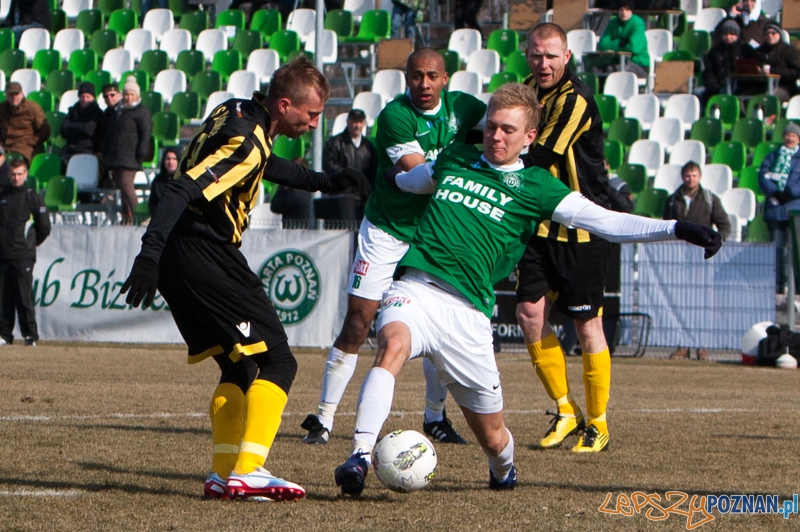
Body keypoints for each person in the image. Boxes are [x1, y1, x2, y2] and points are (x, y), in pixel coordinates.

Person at [333, 83, 722, 497]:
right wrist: (381, 176)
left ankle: (504, 470)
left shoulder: (537, 186)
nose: (495, 136)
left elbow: (606, 221)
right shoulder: (455, 158)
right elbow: (414, 181)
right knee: (390, 347)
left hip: (468, 315)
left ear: (529, 137)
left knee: (494, 438)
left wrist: (677, 228)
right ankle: (358, 456)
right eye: (490, 128)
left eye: (507, 130)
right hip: (416, 288)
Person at [120, 56, 371, 502]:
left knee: (238, 365)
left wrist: (328, 181)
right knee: (279, 362)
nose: (316, 124)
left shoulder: (235, 110)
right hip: (205, 252)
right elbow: (182, 188)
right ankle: (250, 469)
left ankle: (223, 474)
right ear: (284, 104)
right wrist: (147, 253)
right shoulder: (248, 141)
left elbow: (268, 165)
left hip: (183, 253)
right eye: (312, 115)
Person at [300, 48, 486, 446]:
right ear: (406, 78)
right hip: (386, 229)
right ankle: (325, 417)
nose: (424, 84)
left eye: (432, 76)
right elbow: (423, 176)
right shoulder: (395, 116)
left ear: (445, 78)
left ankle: (434, 417)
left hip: (434, 233)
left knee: (441, 326)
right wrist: (467, 160)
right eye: (416, 76)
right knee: (357, 322)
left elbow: (504, 131)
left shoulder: (466, 108)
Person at [517, 23, 616, 453]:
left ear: (567, 57)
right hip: (539, 225)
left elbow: (538, 155)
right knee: (528, 313)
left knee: (586, 323)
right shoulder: (524, 92)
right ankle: (565, 409)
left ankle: (598, 422)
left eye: (551, 56)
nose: (544, 63)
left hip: (581, 225)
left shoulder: (575, 99)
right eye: (537, 55)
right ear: (528, 55)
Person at [663, 161, 731, 360]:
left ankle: (702, 346)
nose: (690, 179)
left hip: (702, 259)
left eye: (693, 175)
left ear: (699, 177)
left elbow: (725, 226)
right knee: (681, 303)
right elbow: (665, 226)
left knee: (702, 304)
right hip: (679, 260)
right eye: (687, 175)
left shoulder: (710, 199)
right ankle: (682, 346)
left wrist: (715, 243)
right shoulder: (671, 200)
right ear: (682, 177)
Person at [0, 157, 50, 347]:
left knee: (23, 296)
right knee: (3, 297)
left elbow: (44, 227)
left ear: (26, 174)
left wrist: (29, 245)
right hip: (3, 254)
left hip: (22, 255)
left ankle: (30, 334)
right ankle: (4, 334)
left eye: (19, 174)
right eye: (12, 174)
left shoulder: (32, 198)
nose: (15, 177)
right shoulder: (3, 196)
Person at [103, 76, 152, 224]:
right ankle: (127, 220)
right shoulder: (118, 112)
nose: (128, 97)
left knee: (126, 186)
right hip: (117, 157)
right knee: (122, 190)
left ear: (137, 95)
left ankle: (141, 215)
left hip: (131, 157)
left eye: (131, 94)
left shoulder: (142, 112)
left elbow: (145, 134)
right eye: (126, 94)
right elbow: (110, 133)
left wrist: (141, 154)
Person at [759, 122, 800, 294]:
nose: (790, 138)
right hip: (775, 210)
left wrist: (790, 193)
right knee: (776, 250)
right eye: (788, 134)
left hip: (795, 211)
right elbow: (763, 176)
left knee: (796, 252)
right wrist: (775, 192)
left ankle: (797, 291)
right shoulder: (772, 156)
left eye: (794, 135)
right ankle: (777, 289)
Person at [700, 20, 757, 106]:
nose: (728, 37)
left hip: (738, 86)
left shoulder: (745, 49)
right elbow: (709, 71)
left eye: (732, 34)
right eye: (725, 34)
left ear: (737, 35)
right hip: (716, 85)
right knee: (698, 93)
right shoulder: (715, 50)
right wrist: (713, 85)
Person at [323, 109, 378, 190]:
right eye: (354, 121)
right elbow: (328, 164)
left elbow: (373, 169)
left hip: (362, 194)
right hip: (341, 192)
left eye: (360, 122)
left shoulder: (368, 146)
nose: (357, 125)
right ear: (348, 121)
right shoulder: (335, 143)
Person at [596, 0, 650, 79]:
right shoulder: (613, 22)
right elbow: (602, 45)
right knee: (596, 69)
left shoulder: (638, 23)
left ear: (631, 11)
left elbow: (633, 47)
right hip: (618, 61)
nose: (624, 13)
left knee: (611, 70)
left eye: (627, 10)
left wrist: (613, 46)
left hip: (639, 64)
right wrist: (620, 43)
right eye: (621, 10)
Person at [0, 82, 50, 164]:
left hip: (24, 148)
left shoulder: (32, 108)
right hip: (3, 146)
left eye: (17, 94)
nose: (14, 97)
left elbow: (45, 132)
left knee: (14, 161)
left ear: (22, 94)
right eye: (11, 94)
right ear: (6, 95)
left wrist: (28, 142)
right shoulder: (2, 108)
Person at [60, 82, 104, 171]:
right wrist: (79, 129)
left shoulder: (97, 112)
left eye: (88, 97)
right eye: (82, 97)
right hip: (69, 148)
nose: (84, 99)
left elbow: (88, 130)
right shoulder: (73, 111)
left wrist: (71, 126)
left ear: (93, 98)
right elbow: (63, 130)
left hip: (87, 149)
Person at [751, 23, 800, 102]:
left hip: (784, 87)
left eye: (773, 33)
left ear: (779, 34)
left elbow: (795, 73)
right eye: (767, 33)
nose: (770, 35)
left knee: (767, 98)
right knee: (741, 96)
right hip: (762, 86)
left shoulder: (789, 50)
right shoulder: (759, 51)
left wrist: (773, 70)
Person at [94, 83, 122, 186]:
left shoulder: (125, 112)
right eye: (106, 96)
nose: (109, 98)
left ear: (119, 95)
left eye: (112, 94)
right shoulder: (105, 115)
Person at [148, 147, 182, 215]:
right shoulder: (158, 181)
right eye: (168, 159)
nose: (170, 162)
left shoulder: (183, 180)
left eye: (174, 159)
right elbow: (153, 204)